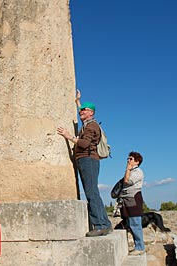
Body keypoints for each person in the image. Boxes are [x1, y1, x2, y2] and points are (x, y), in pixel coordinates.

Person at [57, 90, 112, 237]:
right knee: (93, 192)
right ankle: (105, 224)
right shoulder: (87, 124)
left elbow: (84, 143)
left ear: (92, 113)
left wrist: (68, 136)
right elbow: (82, 117)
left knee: (91, 193)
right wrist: (77, 102)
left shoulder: (92, 126)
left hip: (88, 160)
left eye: (84, 110)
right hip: (88, 160)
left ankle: (100, 225)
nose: (81, 111)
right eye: (81, 110)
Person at [119, 151, 145, 255]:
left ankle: (139, 247)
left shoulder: (138, 172)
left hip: (133, 199)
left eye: (131, 159)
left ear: (137, 162)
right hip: (127, 199)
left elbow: (127, 181)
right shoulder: (131, 171)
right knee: (130, 224)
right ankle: (137, 246)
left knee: (135, 224)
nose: (128, 161)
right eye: (128, 159)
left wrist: (128, 169)